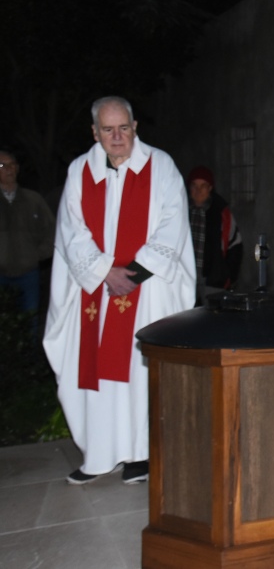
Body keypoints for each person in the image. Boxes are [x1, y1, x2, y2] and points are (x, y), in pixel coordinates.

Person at [43, 96, 195, 485]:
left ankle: (141, 455)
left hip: (146, 290)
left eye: (123, 128)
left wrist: (135, 272)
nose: (117, 137)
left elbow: (172, 222)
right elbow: (71, 231)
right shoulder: (80, 171)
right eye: (107, 130)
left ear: (135, 127)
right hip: (95, 291)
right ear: (94, 132)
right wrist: (104, 271)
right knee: (93, 370)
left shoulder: (160, 166)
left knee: (138, 370)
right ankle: (99, 454)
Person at [0, 150, 55, 313]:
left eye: (12, 165)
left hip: (28, 273)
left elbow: (52, 230)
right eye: (3, 165)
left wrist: (37, 255)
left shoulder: (33, 199)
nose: (9, 169)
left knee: (30, 319)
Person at [187, 166, 243, 304]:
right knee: (185, 321)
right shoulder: (180, 211)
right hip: (185, 279)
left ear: (210, 188)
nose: (198, 191)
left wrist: (227, 276)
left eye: (203, 186)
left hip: (212, 282)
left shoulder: (221, 213)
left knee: (211, 322)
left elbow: (235, 246)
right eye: (194, 186)